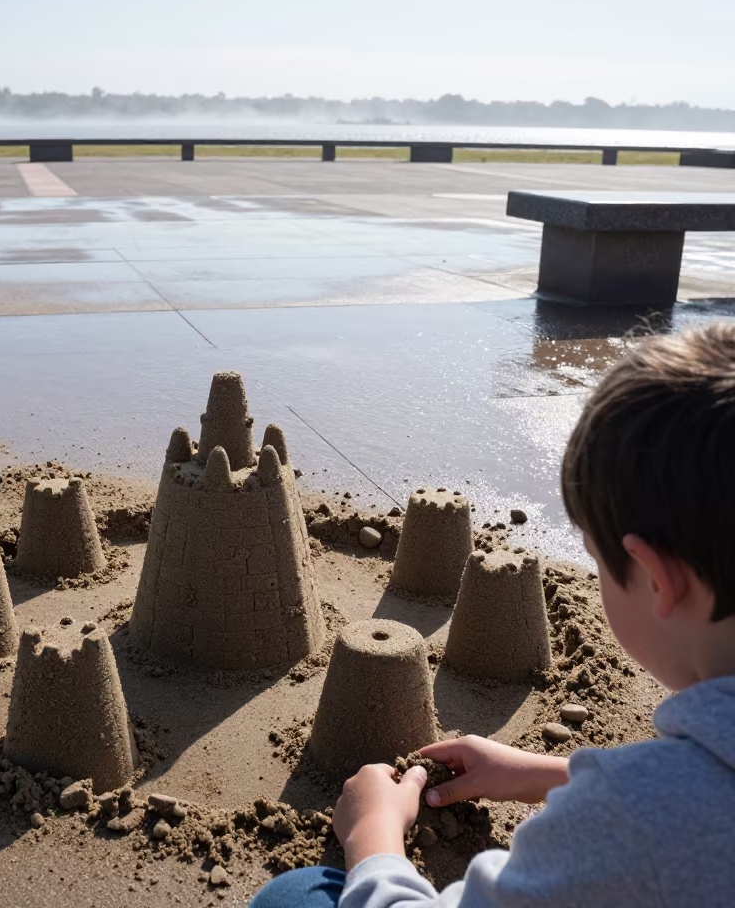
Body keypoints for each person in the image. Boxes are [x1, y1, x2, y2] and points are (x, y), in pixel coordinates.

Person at [250, 323, 735, 907]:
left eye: (597, 561)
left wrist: (373, 839)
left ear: (655, 578)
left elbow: (666, 810)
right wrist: (547, 773)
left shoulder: (625, 821)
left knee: (295, 893)